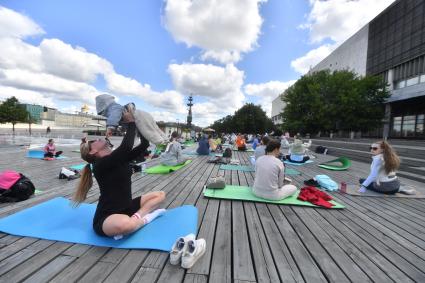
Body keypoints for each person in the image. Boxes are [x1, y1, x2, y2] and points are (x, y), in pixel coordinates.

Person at [74, 111, 166, 238]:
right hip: (108, 216)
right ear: (93, 151)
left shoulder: (117, 158)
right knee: (124, 225)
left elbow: (144, 145)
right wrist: (131, 123)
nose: (99, 138)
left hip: (127, 207)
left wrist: (140, 126)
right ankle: (144, 219)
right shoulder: (99, 165)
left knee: (160, 195)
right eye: (95, 140)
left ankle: (136, 218)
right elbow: (126, 147)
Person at [96, 93, 168, 145]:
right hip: (142, 114)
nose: (104, 115)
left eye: (103, 113)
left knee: (149, 132)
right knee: (155, 129)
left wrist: (110, 127)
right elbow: (118, 119)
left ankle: (162, 144)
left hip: (138, 116)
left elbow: (115, 115)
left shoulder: (113, 107)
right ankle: (166, 140)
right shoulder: (115, 107)